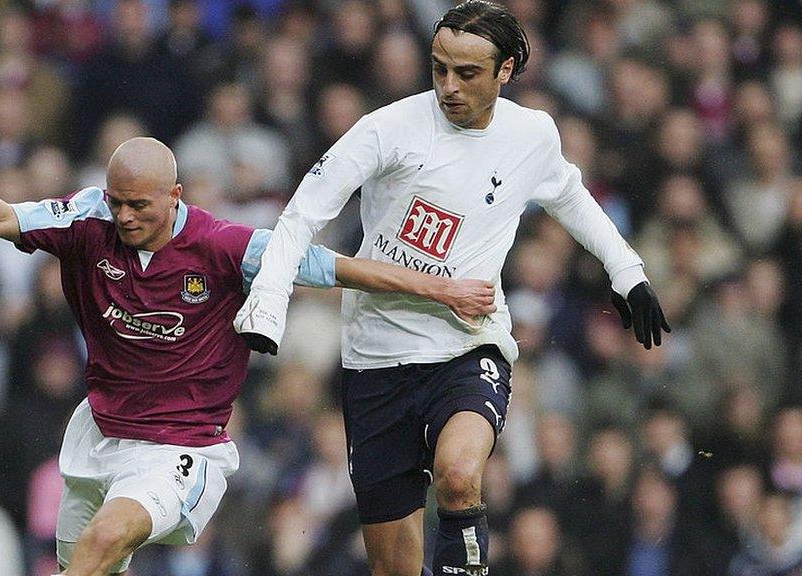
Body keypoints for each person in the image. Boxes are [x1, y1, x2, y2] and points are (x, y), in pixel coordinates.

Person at [0, 137, 493, 576]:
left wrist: (440, 287)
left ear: (174, 195)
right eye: (117, 201)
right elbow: (4, 216)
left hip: (180, 446)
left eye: (139, 204)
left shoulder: (227, 247)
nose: (124, 215)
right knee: (82, 562)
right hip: (100, 430)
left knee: (111, 534)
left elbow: (336, 268)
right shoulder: (87, 219)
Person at [234, 2, 671, 575]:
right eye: (438, 68)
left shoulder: (531, 134)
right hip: (376, 359)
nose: (448, 86)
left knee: (460, 477)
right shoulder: (389, 129)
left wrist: (628, 272)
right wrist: (266, 308)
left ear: (506, 71)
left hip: (468, 346)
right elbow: (299, 218)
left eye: (466, 73)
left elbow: (569, 196)